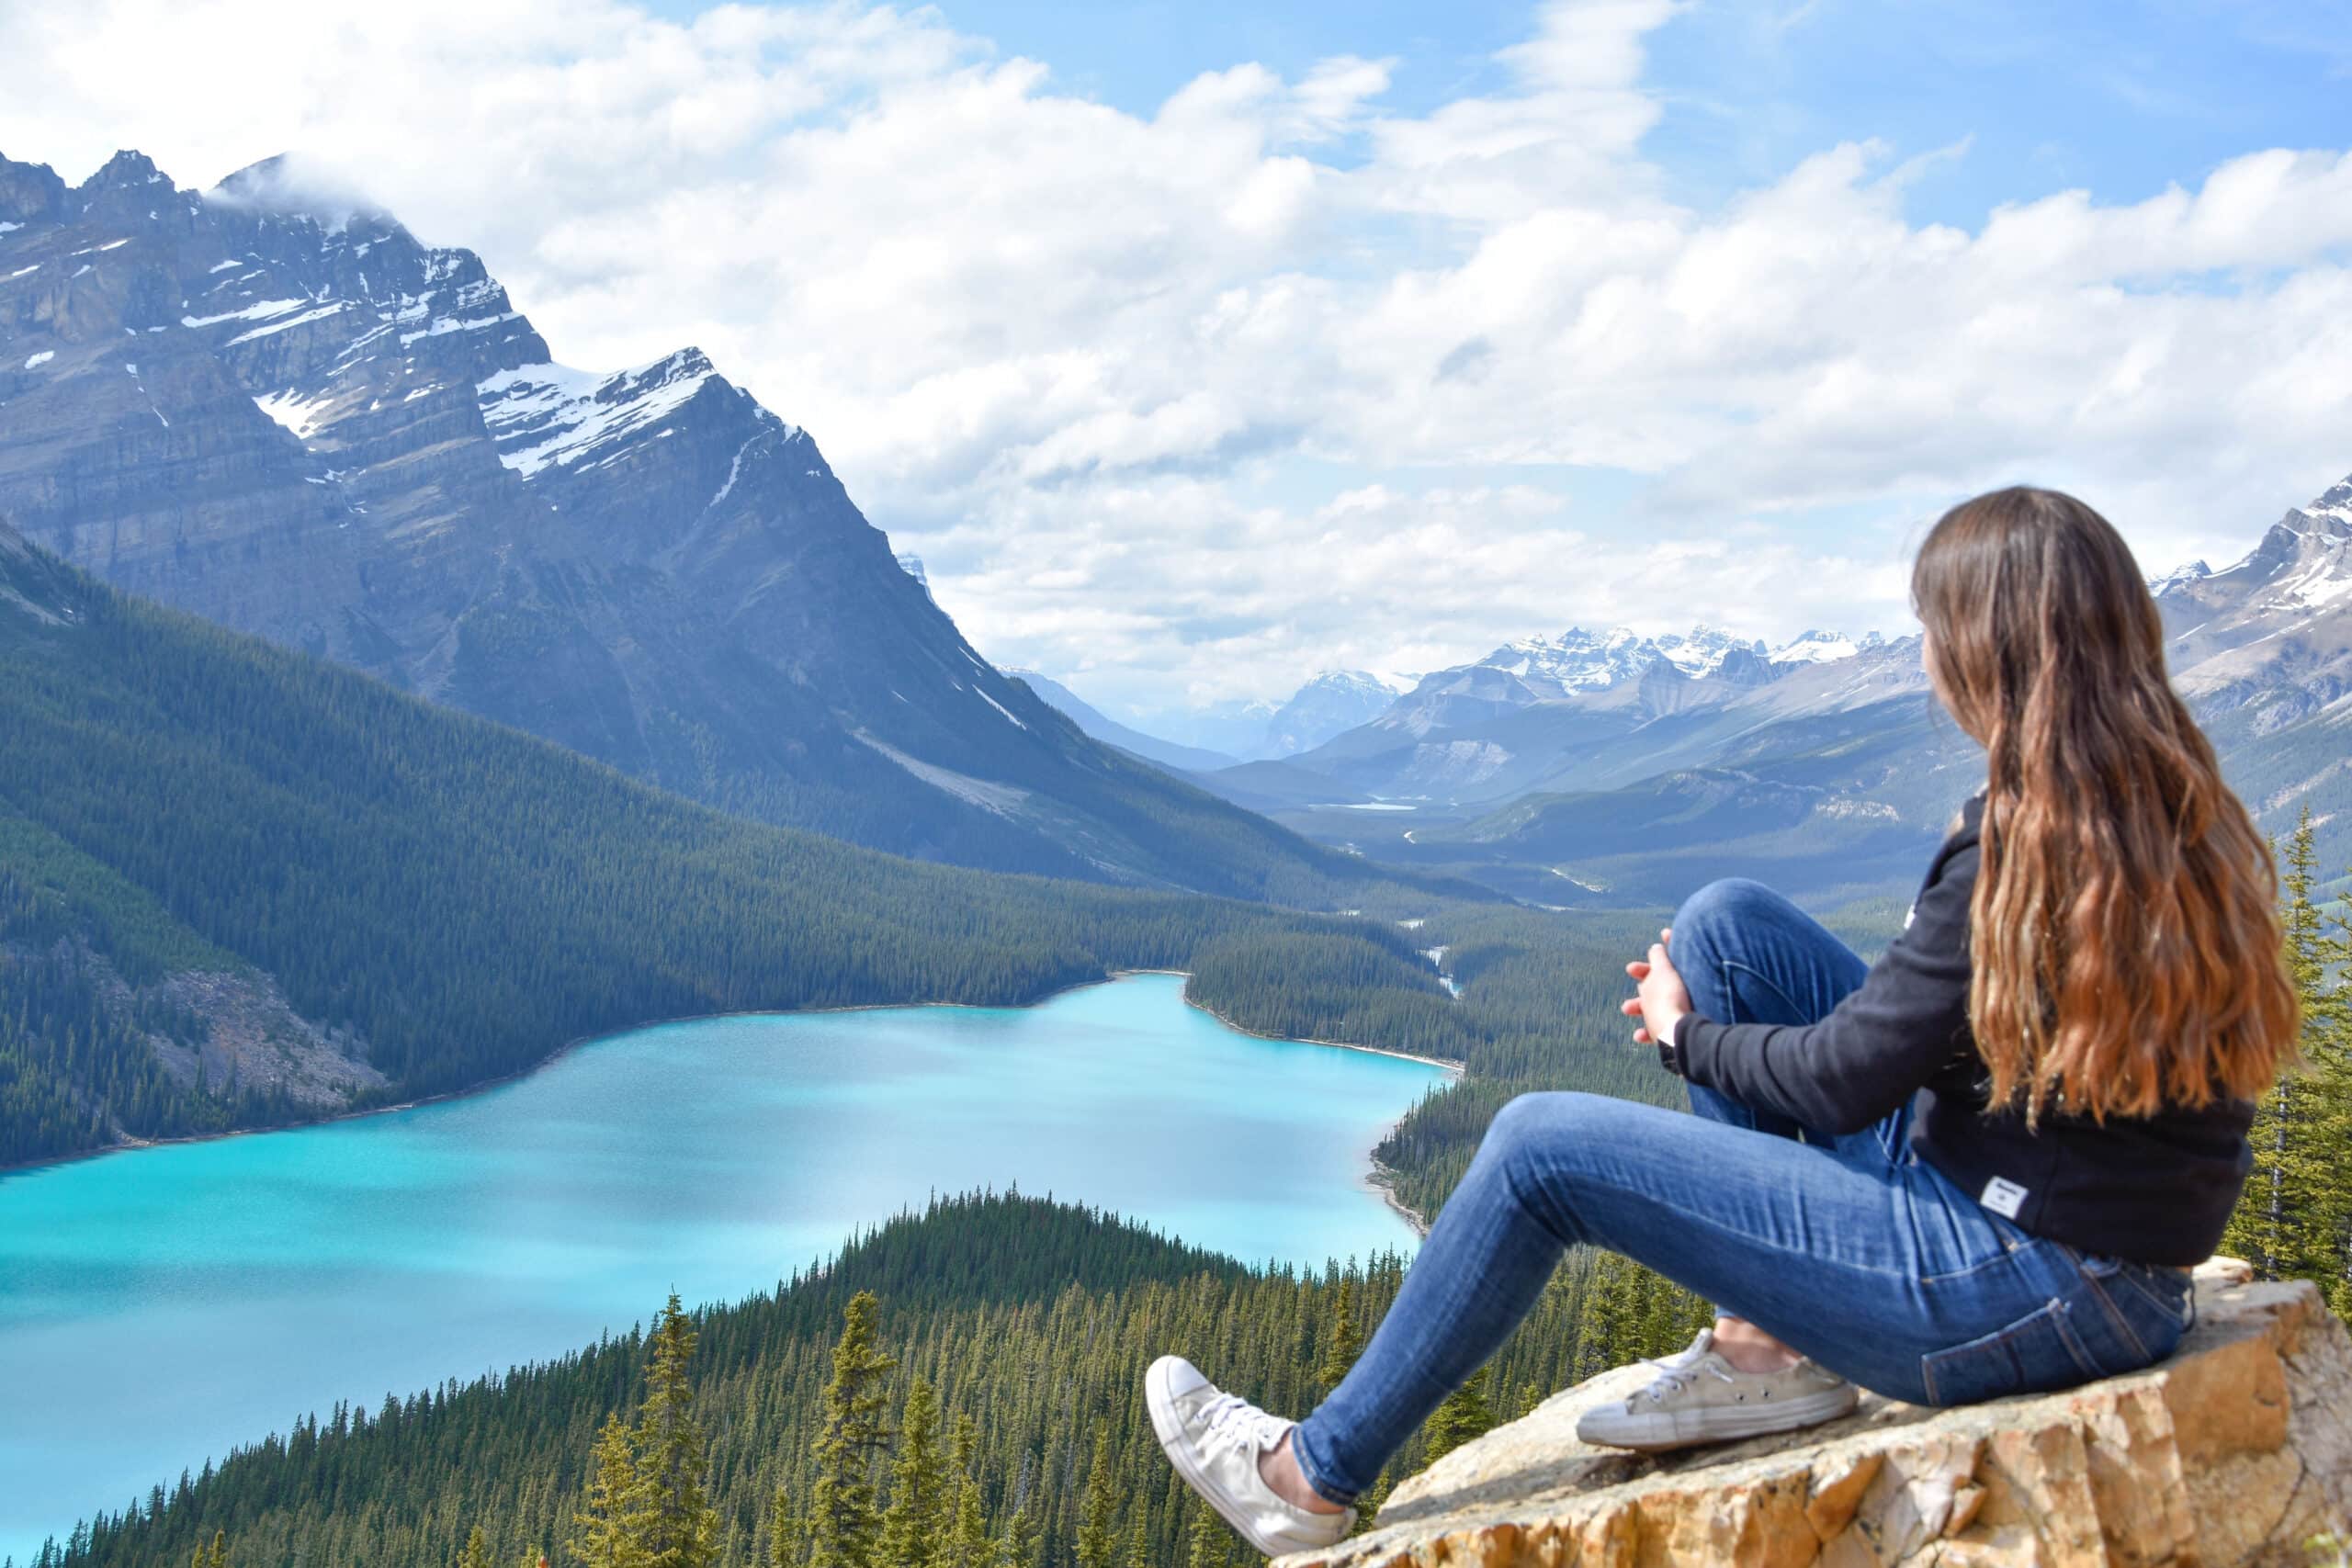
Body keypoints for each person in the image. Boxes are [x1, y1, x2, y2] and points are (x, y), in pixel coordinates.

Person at [1144, 487, 2300, 1558]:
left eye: (1932, 630)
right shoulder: (2173, 810)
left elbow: (1847, 1082)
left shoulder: (2021, 843)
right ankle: (1759, 1355)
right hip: (2073, 1244)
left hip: (2023, 1285)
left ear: (1981, 652)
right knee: (1726, 924)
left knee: (1539, 1146)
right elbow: (1931, 1045)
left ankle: (1306, 1477)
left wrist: (1682, 1037)